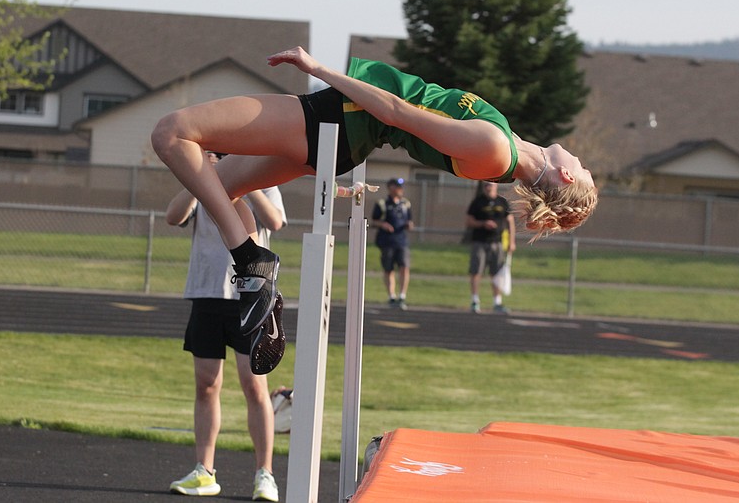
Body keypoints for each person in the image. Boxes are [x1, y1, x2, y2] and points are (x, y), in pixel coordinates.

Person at [151, 46, 597, 371]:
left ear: (568, 177)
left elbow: (398, 113)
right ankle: (257, 283)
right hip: (342, 126)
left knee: (172, 132)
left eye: (583, 167)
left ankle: (252, 260)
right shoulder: (509, 147)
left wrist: (318, 68)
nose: (579, 158)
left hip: (338, 118)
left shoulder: (496, 149)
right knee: (220, 190)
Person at [166, 151, 285, 501]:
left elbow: (274, 221)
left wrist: (244, 182)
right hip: (206, 293)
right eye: (214, 152)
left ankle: (265, 474)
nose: (219, 157)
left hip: (249, 294)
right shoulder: (200, 182)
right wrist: (200, 175)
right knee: (206, 385)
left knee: (254, 386)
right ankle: (205, 470)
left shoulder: (261, 174)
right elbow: (173, 216)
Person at [466, 180, 517, 314]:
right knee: (476, 272)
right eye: (486, 185)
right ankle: (475, 301)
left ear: (496, 185)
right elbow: (469, 221)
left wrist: (512, 241)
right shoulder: (478, 202)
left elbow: (510, 221)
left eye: (490, 185)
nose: (488, 187)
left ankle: (497, 302)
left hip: (497, 242)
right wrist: (483, 224)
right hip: (480, 241)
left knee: (496, 273)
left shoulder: (502, 202)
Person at [372, 177, 414, 309]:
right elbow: (374, 220)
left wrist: (409, 225)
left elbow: (410, 221)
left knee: (404, 267)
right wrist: (383, 224)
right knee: (388, 269)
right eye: (397, 186)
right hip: (387, 241)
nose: (400, 189)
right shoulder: (382, 203)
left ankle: (402, 296)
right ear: (391, 188)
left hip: (401, 241)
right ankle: (392, 296)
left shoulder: (405, 204)